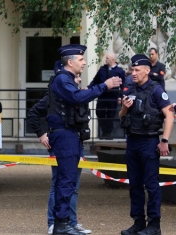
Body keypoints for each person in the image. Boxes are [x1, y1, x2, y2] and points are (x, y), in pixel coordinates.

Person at [47, 44, 122, 235]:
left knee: (69, 180)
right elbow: (77, 97)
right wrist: (104, 85)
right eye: (81, 60)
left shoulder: (68, 79)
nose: (85, 63)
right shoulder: (63, 80)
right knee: (66, 180)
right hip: (64, 134)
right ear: (70, 62)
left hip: (70, 134)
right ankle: (61, 224)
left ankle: (64, 222)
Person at [27, 72, 91, 235]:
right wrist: (42, 135)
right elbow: (33, 114)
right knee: (59, 183)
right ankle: (54, 222)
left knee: (73, 186)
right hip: (61, 145)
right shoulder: (54, 97)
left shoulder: (75, 98)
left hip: (76, 144)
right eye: (75, 78)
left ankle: (71, 222)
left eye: (78, 78)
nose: (77, 81)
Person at [119, 54, 173, 235]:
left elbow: (170, 115)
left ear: (147, 71)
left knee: (151, 185)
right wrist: (124, 108)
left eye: (137, 70)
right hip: (132, 141)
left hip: (149, 142)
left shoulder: (156, 90)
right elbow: (121, 116)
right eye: (132, 70)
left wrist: (164, 140)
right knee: (134, 185)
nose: (133, 73)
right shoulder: (130, 89)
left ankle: (154, 225)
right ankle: (138, 222)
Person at [88, 53, 125, 139]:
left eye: (107, 58)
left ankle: (108, 133)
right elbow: (95, 81)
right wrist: (88, 87)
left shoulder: (119, 71)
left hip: (113, 96)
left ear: (113, 60)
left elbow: (123, 85)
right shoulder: (102, 69)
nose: (106, 60)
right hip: (102, 95)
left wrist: (121, 96)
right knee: (99, 112)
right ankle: (105, 131)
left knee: (110, 114)